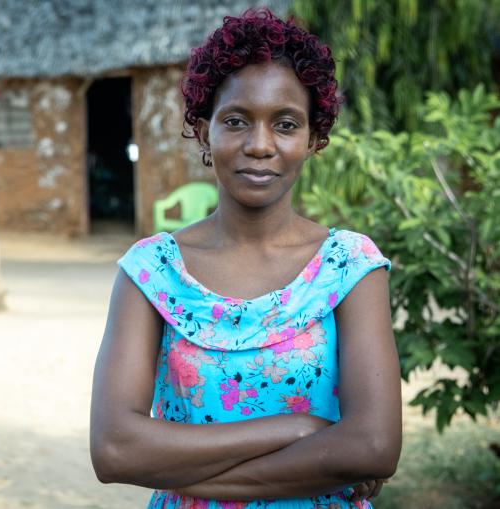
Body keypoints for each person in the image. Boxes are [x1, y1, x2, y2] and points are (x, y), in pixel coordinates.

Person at [90, 8, 402, 509]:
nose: (260, 145)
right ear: (204, 130)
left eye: (285, 124)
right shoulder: (152, 272)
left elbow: (373, 446)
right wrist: (301, 429)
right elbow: (114, 448)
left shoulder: (349, 266)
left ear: (313, 139)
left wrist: (181, 474)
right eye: (236, 121)